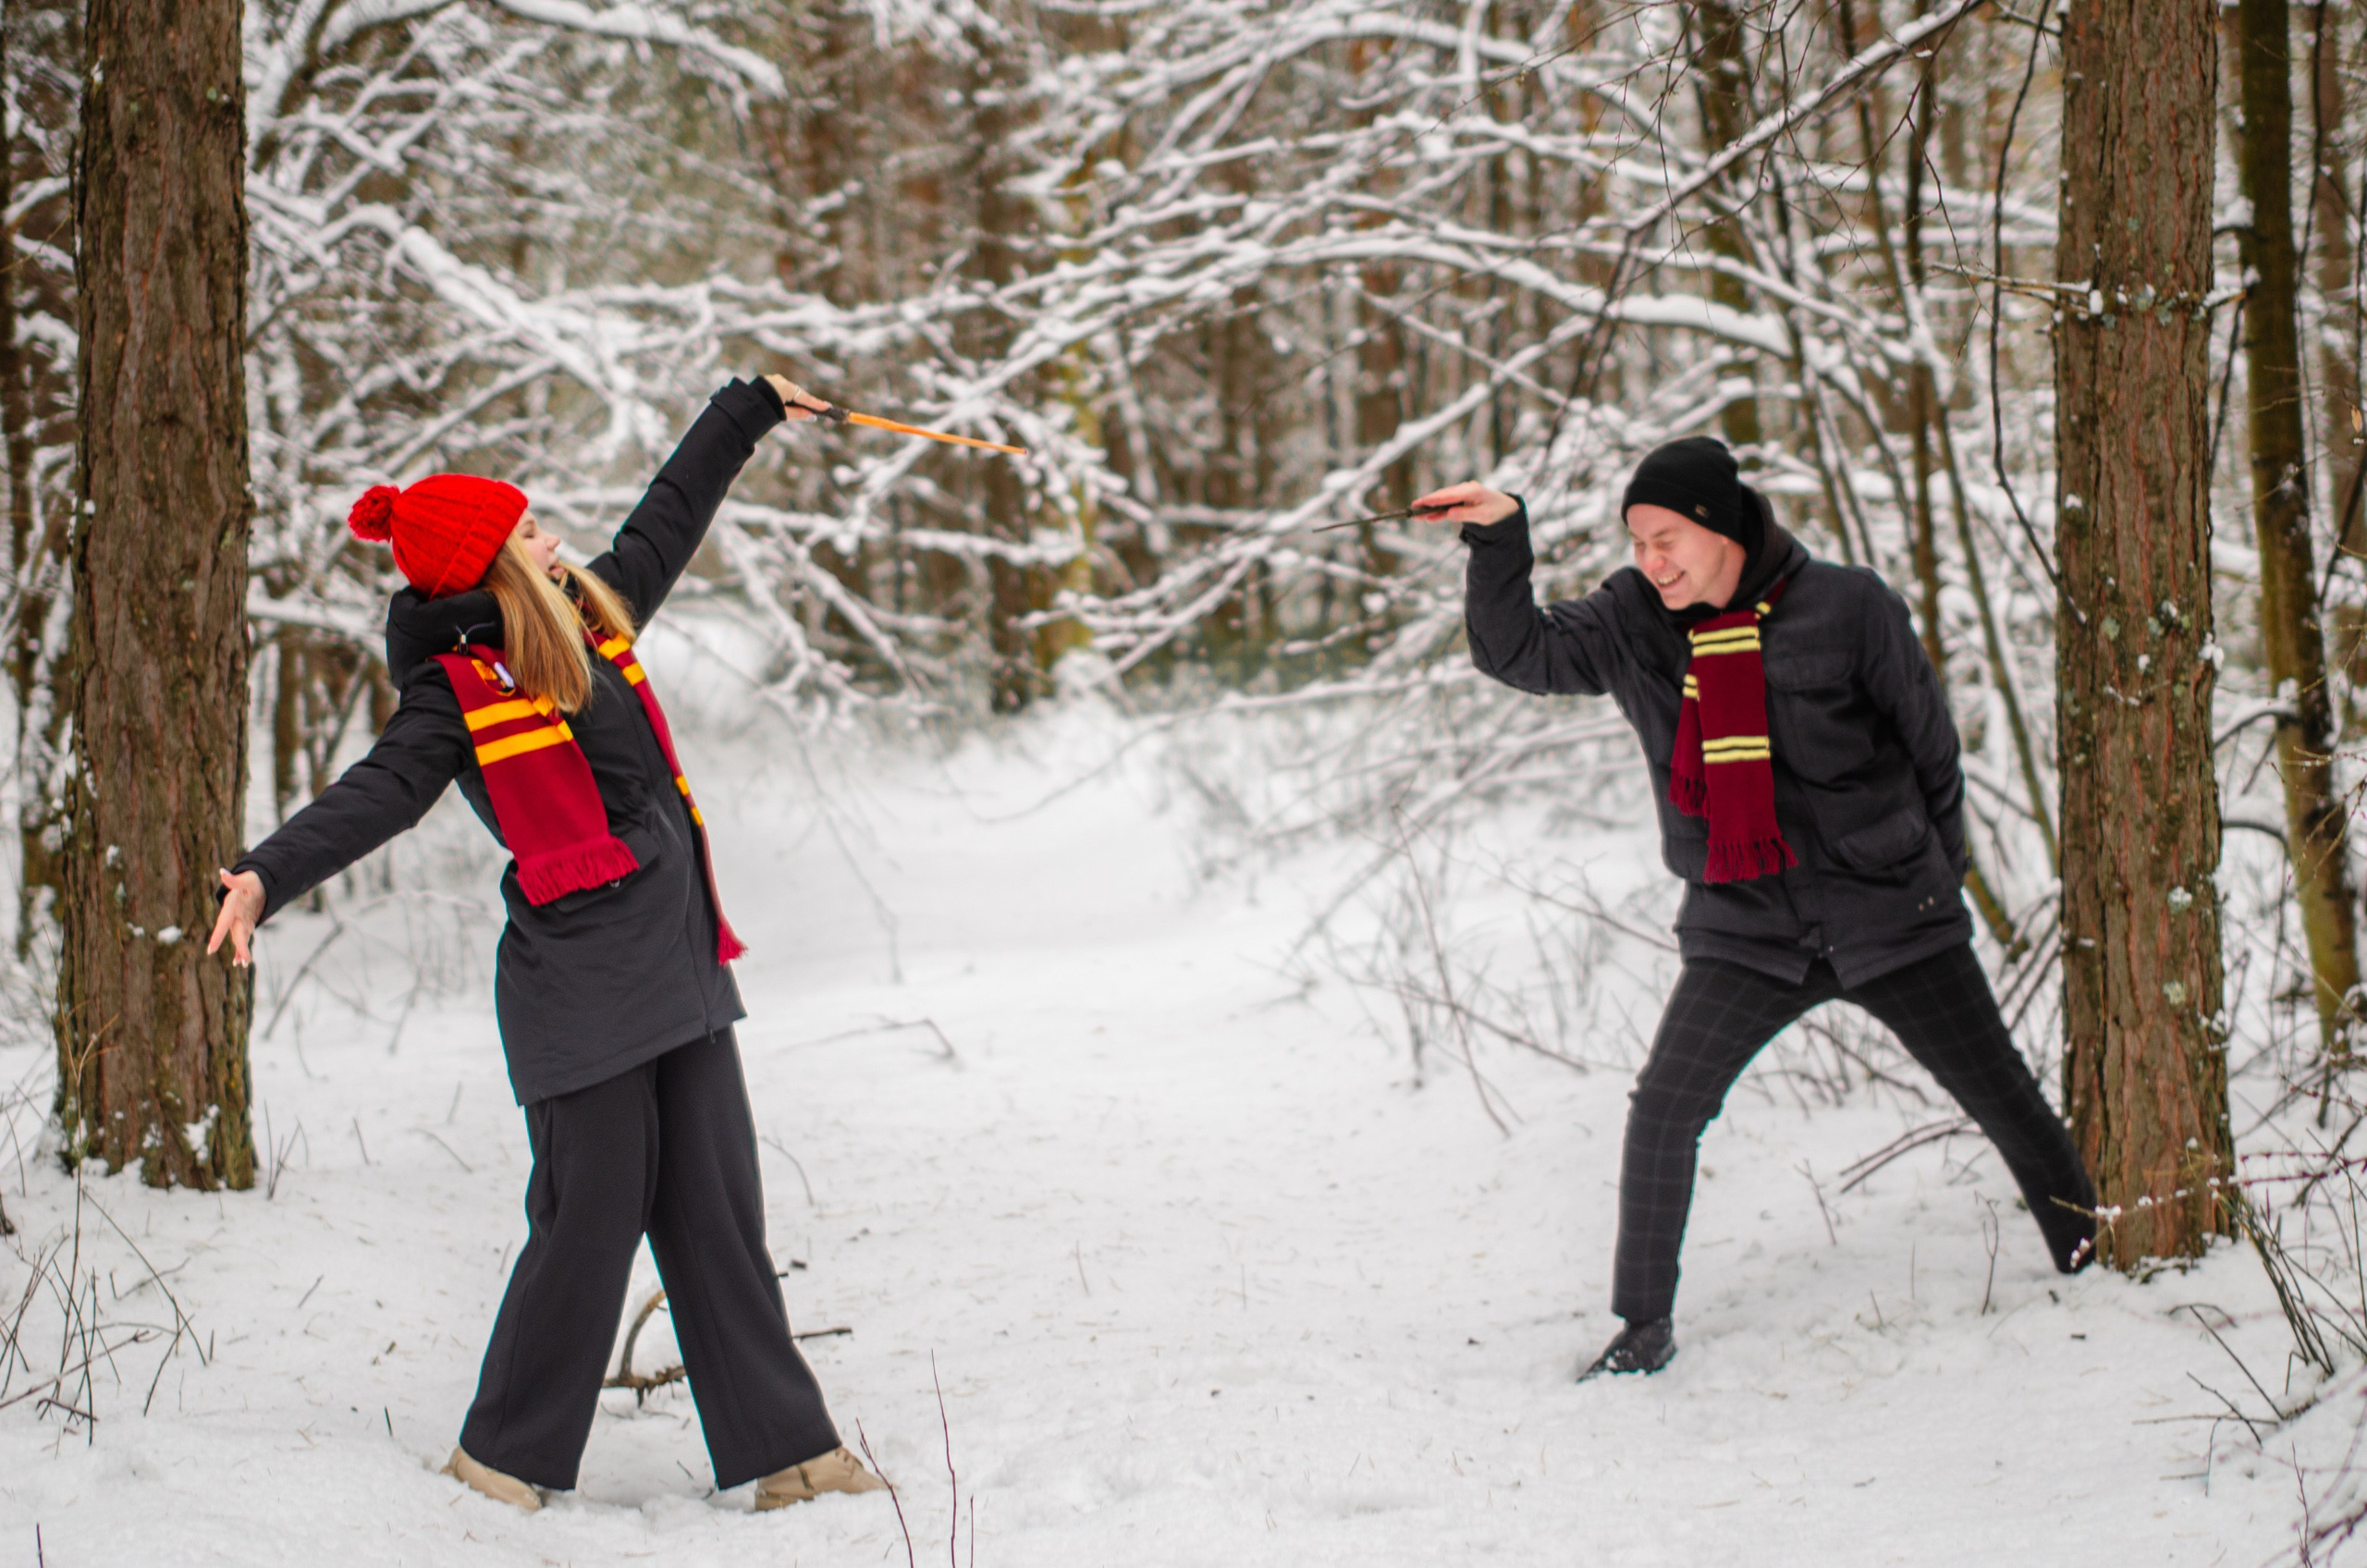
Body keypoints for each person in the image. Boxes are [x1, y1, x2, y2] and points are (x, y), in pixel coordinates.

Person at [207, 374, 888, 1512]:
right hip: (581, 989)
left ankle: (791, 1454)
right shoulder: (453, 693)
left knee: (718, 1206)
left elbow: (665, 516)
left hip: (677, 962)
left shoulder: (592, 610)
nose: (551, 532)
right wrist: (268, 872)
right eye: (527, 528)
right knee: (592, 1214)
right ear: (491, 562)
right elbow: (378, 792)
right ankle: (499, 1459)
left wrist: (750, 406)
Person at [1416, 436, 2097, 1381]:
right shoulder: (1634, 618)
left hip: (1890, 909)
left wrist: (1937, 884)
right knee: (1664, 1108)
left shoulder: (1849, 606)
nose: (1649, 562)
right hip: (1745, 924)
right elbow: (1517, 653)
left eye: (1664, 540)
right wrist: (1499, 545)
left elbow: (1931, 751)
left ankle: (2091, 1260)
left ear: (1719, 526)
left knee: (1999, 1092)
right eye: (1638, 543)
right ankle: (1642, 1327)